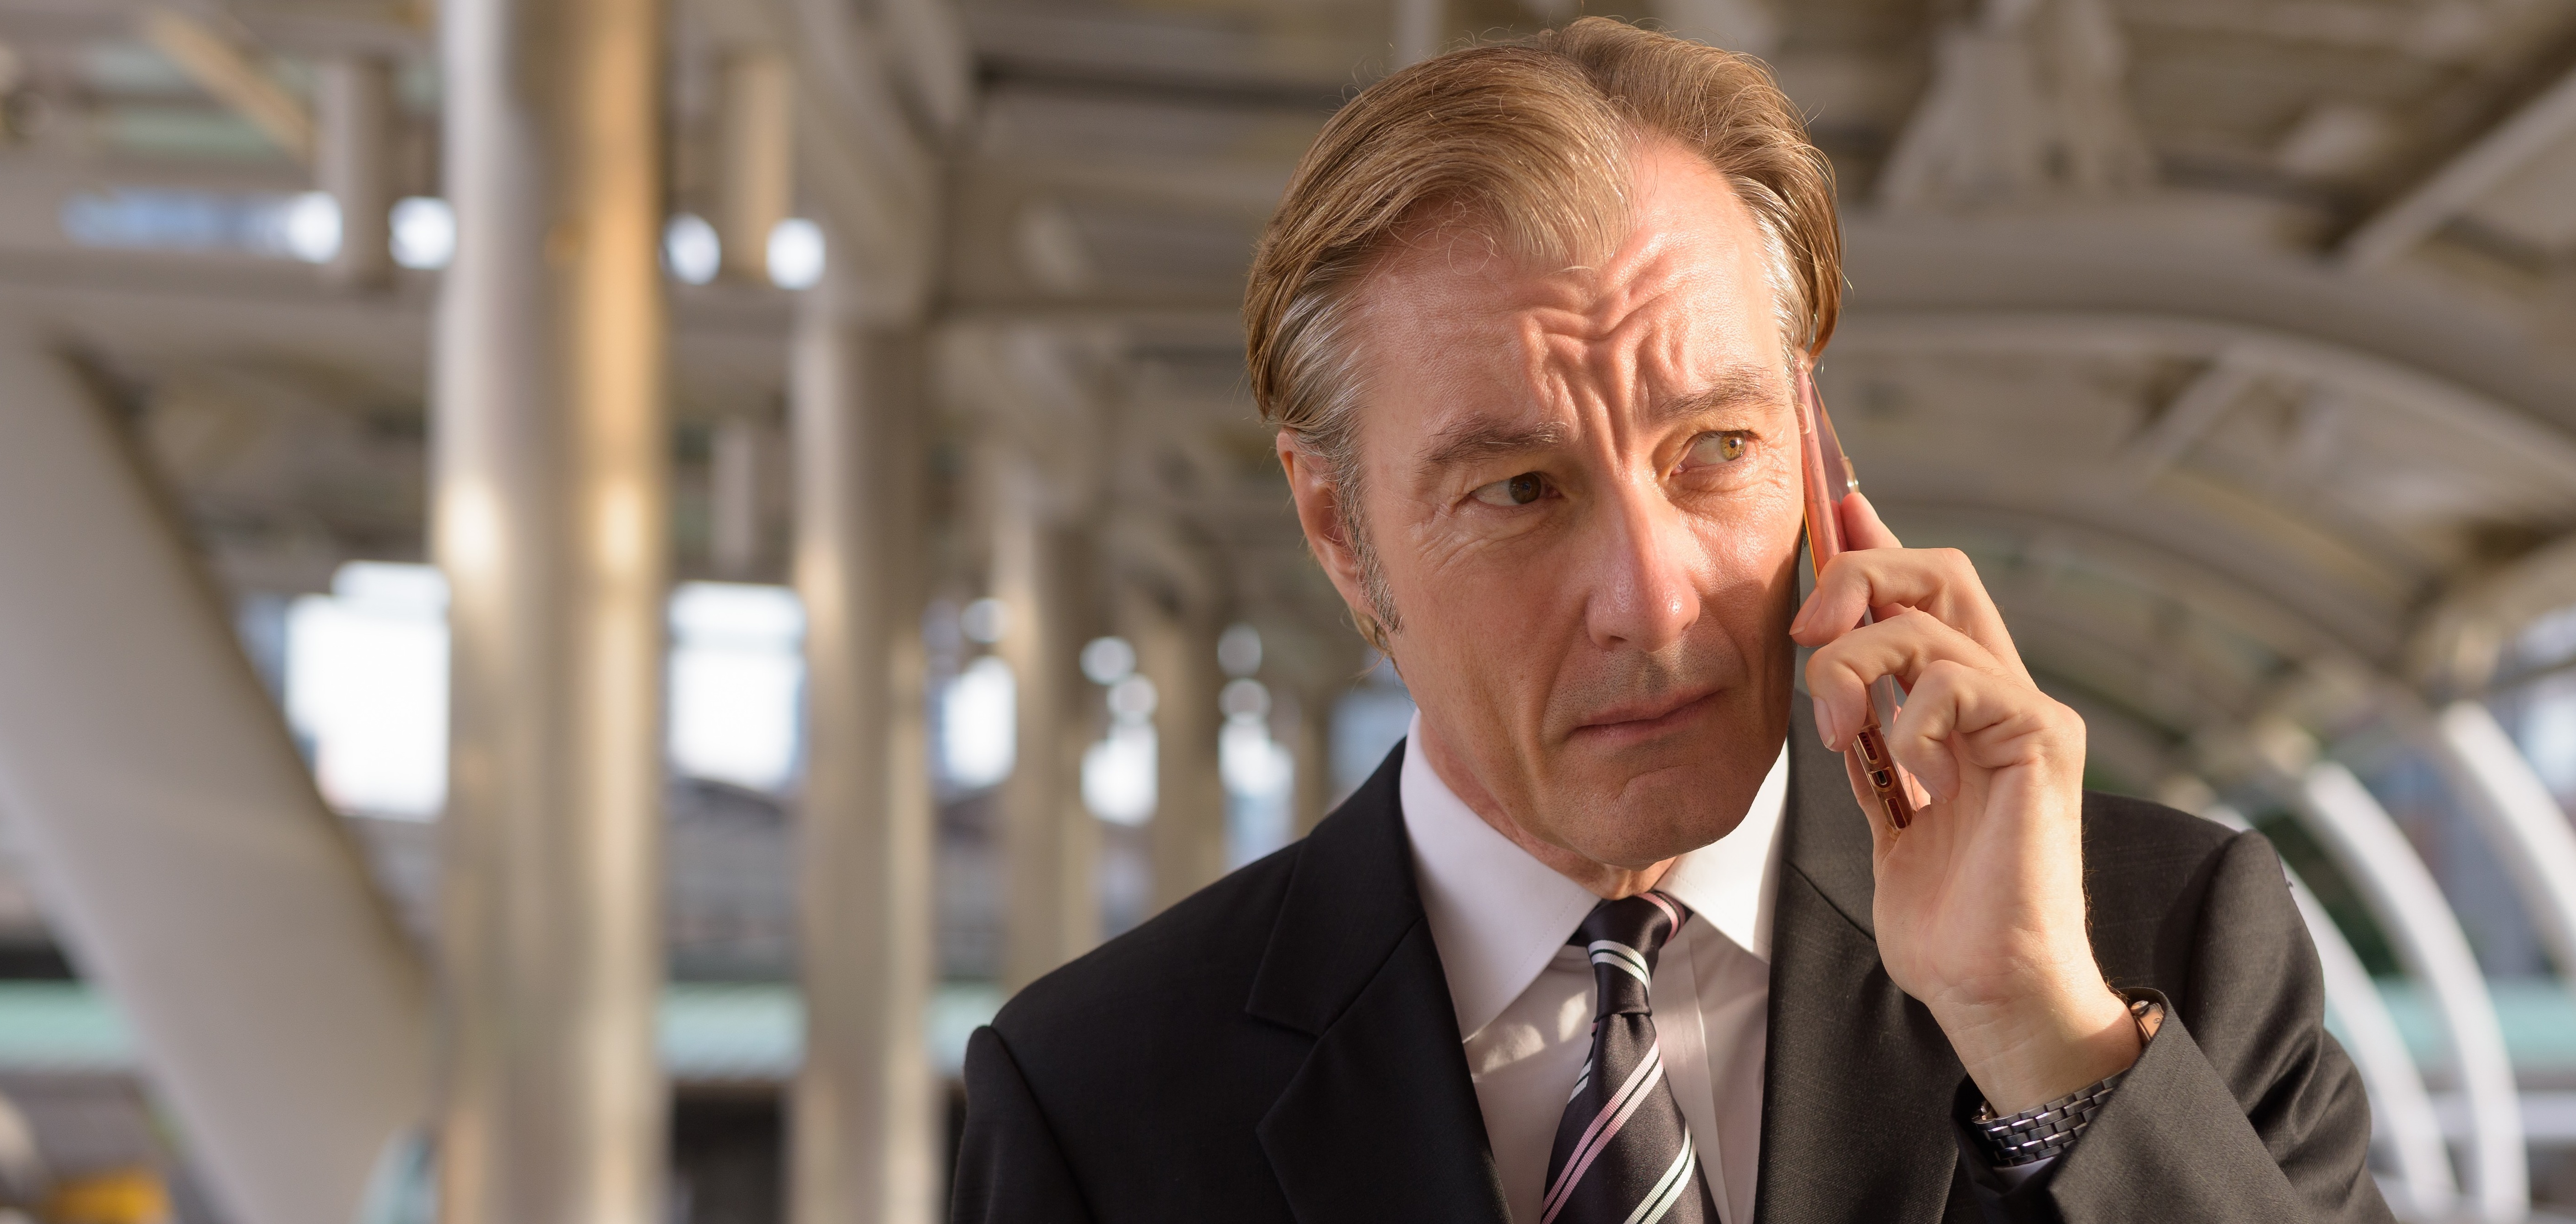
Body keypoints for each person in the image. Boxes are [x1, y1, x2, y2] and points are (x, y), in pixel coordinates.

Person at [951, 19, 2388, 1224]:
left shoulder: (2164, 947)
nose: (1653, 599)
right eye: (1518, 488)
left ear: (1818, 455)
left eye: (1717, 448)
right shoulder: (1102, 1096)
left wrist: (2043, 1037)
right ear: (1340, 526)